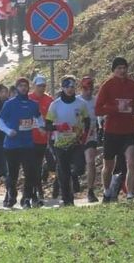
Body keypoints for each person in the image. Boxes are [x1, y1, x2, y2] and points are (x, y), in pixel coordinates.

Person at [96, 57, 134, 201]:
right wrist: (115, 108)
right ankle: (107, 191)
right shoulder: (107, 85)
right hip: (111, 131)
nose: (122, 71)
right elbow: (97, 109)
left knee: (132, 161)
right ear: (113, 71)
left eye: (124, 68)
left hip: (129, 131)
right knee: (108, 166)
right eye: (118, 68)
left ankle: (130, 195)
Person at [0, 78, 44, 208]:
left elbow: (39, 117)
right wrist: (7, 130)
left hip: (27, 144)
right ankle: (12, 194)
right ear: (17, 88)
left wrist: (41, 127)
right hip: (11, 145)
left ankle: (26, 198)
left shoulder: (33, 104)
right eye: (21, 86)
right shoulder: (9, 104)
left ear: (29, 88)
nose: (23, 88)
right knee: (13, 174)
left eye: (25, 86)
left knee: (30, 172)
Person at [45, 76, 90, 206]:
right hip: (60, 143)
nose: (70, 89)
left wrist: (84, 136)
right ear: (63, 88)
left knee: (80, 167)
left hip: (76, 142)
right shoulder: (55, 104)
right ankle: (67, 199)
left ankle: (74, 177)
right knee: (63, 173)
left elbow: (87, 121)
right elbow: (47, 125)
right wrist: (57, 127)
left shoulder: (81, 104)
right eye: (67, 87)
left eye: (72, 87)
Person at [28, 75, 54, 205]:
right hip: (29, 139)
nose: (41, 88)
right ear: (34, 86)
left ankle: (37, 189)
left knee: (39, 166)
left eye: (43, 86)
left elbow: (54, 116)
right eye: (39, 86)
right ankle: (36, 191)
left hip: (44, 139)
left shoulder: (49, 100)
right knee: (32, 167)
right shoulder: (28, 99)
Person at [78, 76, 100, 203]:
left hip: (91, 135)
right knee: (77, 166)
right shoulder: (76, 101)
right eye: (86, 88)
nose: (88, 91)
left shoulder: (96, 100)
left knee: (90, 161)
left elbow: (102, 114)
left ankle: (90, 191)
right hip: (76, 136)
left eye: (90, 88)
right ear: (81, 88)